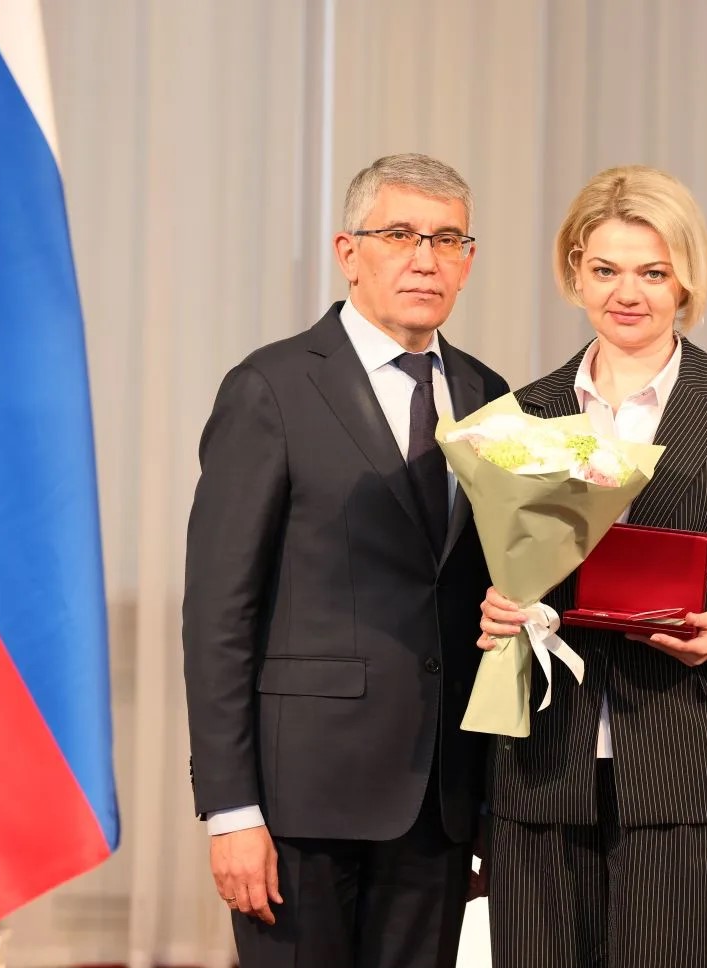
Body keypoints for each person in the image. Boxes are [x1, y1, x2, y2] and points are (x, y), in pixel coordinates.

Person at [477, 165, 707, 968]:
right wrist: (495, 609)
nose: (626, 293)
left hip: (691, 764)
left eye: (653, 272)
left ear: (686, 280)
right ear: (575, 274)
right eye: (605, 269)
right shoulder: (526, 412)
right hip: (545, 771)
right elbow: (495, 574)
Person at [182, 153, 509, 968]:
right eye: (399, 234)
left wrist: (486, 804)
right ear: (348, 251)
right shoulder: (272, 386)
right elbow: (219, 613)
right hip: (301, 804)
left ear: (469, 261)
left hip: (438, 802)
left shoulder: (488, 395)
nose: (425, 259)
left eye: (447, 239)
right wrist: (231, 810)